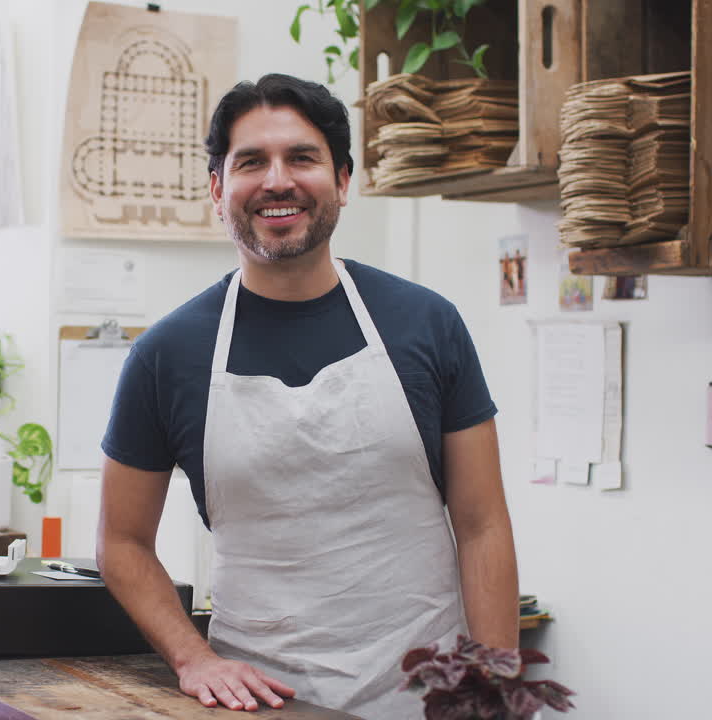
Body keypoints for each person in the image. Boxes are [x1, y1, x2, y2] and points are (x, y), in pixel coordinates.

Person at [97, 73, 518, 719]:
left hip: (426, 697)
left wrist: (494, 691)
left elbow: (482, 524)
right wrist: (193, 658)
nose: (277, 181)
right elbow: (122, 542)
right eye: (251, 162)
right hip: (257, 703)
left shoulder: (426, 325)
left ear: (343, 181)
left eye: (302, 158)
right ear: (217, 190)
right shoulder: (167, 355)